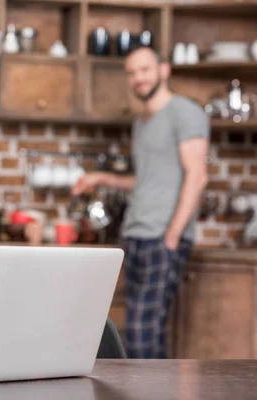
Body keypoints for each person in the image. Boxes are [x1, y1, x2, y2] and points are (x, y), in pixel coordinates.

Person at [72, 45, 209, 358]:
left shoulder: (185, 113)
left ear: (164, 70)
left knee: (140, 331)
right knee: (143, 330)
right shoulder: (143, 122)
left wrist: (172, 237)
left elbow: (197, 175)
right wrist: (101, 178)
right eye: (132, 73)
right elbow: (146, 180)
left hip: (161, 237)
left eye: (145, 69)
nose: (138, 78)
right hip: (137, 234)